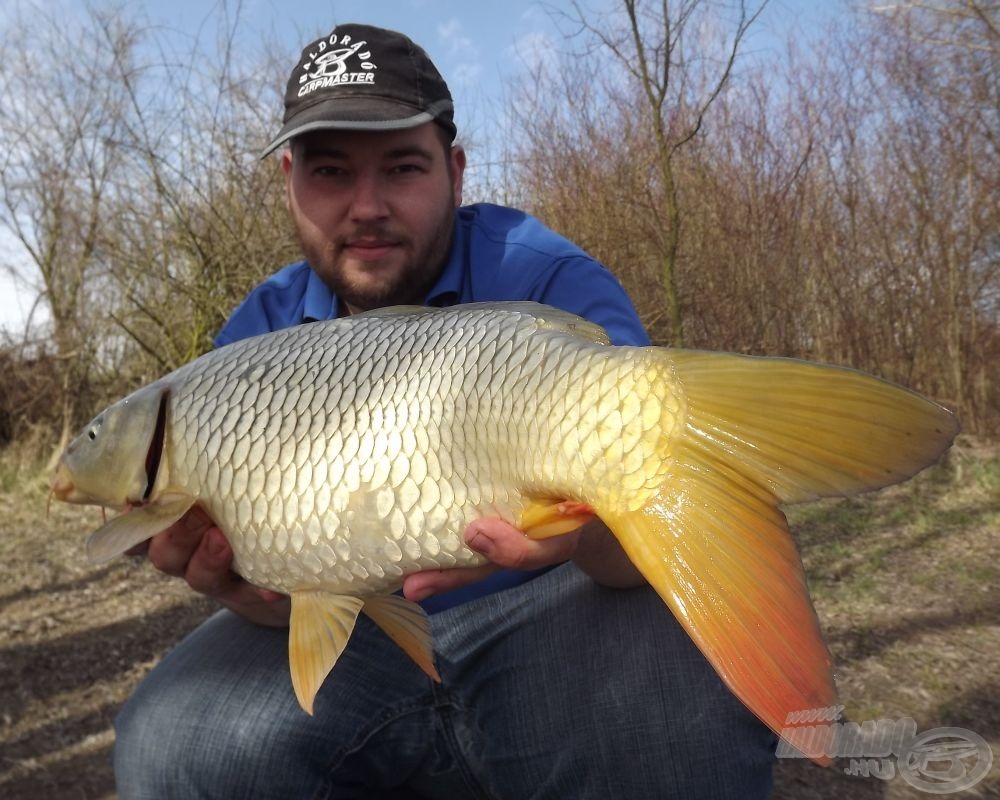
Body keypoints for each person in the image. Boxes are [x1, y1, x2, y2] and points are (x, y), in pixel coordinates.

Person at [113, 23, 776, 799]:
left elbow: (651, 546)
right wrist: (243, 587)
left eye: (402, 167)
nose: (367, 206)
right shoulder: (250, 342)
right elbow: (283, 611)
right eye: (331, 171)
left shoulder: (545, 280)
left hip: (559, 612)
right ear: (289, 179)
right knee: (169, 741)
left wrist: (582, 534)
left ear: (454, 171)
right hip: (363, 638)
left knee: (671, 694)